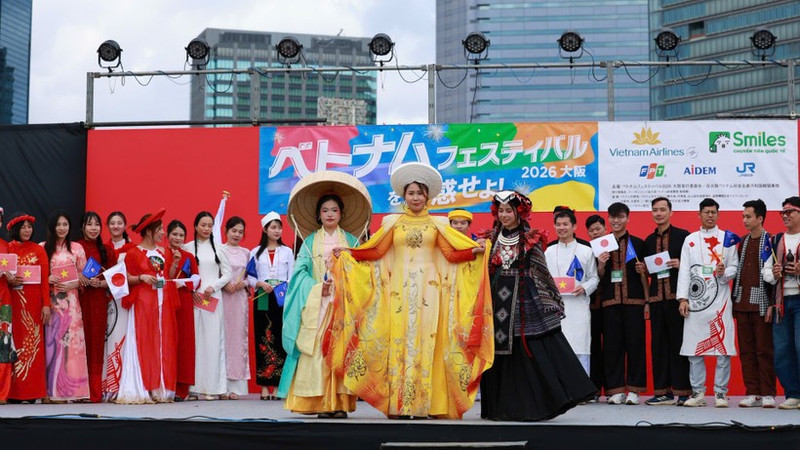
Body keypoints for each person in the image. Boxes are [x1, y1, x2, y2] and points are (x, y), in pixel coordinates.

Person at [332, 162, 493, 419]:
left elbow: (450, 254)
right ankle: (400, 404)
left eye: (420, 193)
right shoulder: (392, 222)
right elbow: (376, 251)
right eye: (411, 193)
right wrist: (350, 253)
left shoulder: (438, 224)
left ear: (427, 196)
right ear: (403, 196)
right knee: (399, 339)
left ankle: (424, 405)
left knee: (427, 342)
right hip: (399, 289)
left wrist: (472, 251)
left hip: (430, 289)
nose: (415, 198)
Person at [480, 190, 595, 421]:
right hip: (495, 299)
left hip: (522, 300)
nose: (504, 215)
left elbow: (540, 271)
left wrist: (548, 298)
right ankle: (500, 407)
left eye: (509, 210)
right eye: (500, 210)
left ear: (519, 212)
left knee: (529, 350)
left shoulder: (530, 237)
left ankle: (531, 405)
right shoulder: (490, 237)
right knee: (498, 353)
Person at [278, 196, 355, 417]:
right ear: (318, 214)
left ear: (341, 214)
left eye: (334, 210)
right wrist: (316, 287)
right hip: (318, 304)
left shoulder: (351, 239)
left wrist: (347, 267)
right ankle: (319, 402)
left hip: (343, 304)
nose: (330, 214)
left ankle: (339, 404)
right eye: (324, 210)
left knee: (339, 350)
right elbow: (298, 274)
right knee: (318, 350)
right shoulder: (310, 241)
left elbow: (364, 270)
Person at [677, 198, 738, 408]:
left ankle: (720, 393)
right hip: (695, 304)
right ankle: (698, 392)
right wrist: (683, 299)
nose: (710, 215)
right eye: (706, 212)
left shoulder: (727, 239)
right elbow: (684, 269)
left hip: (720, 302)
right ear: (699, 214)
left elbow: (734, 267)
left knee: (722, 348)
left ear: (718, 214)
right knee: (694, 350)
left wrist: (724, 272)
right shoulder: (690, 239)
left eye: (713, 212)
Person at [117, 209, 179, 403]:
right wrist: (141, 277)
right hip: (143, 302)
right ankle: (145, 385)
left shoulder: (165, 252)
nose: (163, 233)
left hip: (163, 302)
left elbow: (166, 276)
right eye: (160, 229)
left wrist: (175, 264)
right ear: (150, 231)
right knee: (146, 341)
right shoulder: (133, 253)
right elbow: (124, 278)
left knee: (163, 341)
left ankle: (161, 387)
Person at [640, 197, 691, 406]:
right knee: (658, 345)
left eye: (662, 209)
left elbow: (693, 266)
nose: (658, 213)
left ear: (671, 212)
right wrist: (643, 270)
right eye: (655, 210)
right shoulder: (648, 241)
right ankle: (662, 392)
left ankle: (683, 392)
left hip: (676, 299)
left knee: (678, 344)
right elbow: (646, 272)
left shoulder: (683, 237)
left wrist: (681, 263)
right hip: (655, 299)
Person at [597, 202, 647, 405]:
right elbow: (598, 276)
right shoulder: (602, 244)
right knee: (612, 347)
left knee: (635, 345)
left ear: (628, 218)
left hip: (635, 302)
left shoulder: (638, 243)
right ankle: (615, 390)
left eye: (620, 217)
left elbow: (646, 276)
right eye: (612, 217)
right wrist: (601, 264)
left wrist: (647, 301)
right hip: (610, 302)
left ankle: (634, 390)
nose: (616, 221)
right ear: (608, 219)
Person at [731, 199, 776, 408]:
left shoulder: (771, 242)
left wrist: (771, 304)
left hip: (762, 305)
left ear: (760, 218)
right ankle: (753, 392)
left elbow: (775, 277)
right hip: (741, 303)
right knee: (747, 350)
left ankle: (768, 392)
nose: (744, 220)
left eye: (748, 216)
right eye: (743, 216)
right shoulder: (742, 241)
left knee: (764, 350)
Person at [41, 211, 90, 402]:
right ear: (52, 227)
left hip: (71, 305)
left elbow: (86, 277)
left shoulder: (77, 248)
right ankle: (51, 390)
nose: (62, 228)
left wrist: (75, 283)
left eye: (65, 224)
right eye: (59, 224)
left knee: (73, 346)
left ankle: (75, 391)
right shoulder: (43, 248)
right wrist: (47, 279)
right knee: (52, 345)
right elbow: (35, 276)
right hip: (52, 305)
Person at [184, 209, 232, 400]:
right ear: (195, 226)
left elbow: (227, 274)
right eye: (203, 225)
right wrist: (191, 289)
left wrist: (214, 286)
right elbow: (183, 274)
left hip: (213, 299)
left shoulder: (219, 248)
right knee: (195, 343)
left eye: (210, 225)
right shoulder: (188, 248)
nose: (206, 228)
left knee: (213, 342)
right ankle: (194, 388)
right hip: (194, 299)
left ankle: (215, 388)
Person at [544, 206, 598, 375]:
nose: (562, 228)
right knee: (556, 348)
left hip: (578, 306)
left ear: (574, 226)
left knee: (580, 346)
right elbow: (542, 279)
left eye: (565, 224)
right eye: (558, 224)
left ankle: (582, 390)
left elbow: (594, 278)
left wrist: (584, 287)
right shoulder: (548, 252)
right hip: (555, 308)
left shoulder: (586, 251)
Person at [7, 213, 50, 403]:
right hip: (13, 303)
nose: (27, 230)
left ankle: (32, 392)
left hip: (33, 305)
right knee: (14, 344)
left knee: (33, 346)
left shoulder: (38, 250)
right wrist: (8, 279)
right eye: (23, 227)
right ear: (16, 230)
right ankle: (14, 392)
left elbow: (45, 282)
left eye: (29, 227)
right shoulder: (7, 249)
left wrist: (46, 305)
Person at [763, 196, 800, 409]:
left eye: (790, 211)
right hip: (781, 302)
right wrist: (774, 274)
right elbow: (765, 271)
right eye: (783, 212)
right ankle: (793, 394)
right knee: (783, 349)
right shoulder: (775, 240)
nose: (786, 215)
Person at [251, 212, 293, 401]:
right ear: (265, 229)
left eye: (279, 227)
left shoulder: (287, 251)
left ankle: (277, 386)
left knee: (277, 338)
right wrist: (261, 283)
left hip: (280, 297)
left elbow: (292, 276)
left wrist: (281, 286)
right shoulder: (255, 252)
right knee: (262, 337)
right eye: (273, 227)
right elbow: (249, 276)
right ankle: (264, 387)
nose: (277, 231)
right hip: (261, 296)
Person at [76, 211, 116, 403]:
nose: (93, 228)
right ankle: (76, 391)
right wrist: (79, 278)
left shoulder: (107, 250)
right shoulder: (75, 247)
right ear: (82, 226)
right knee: (77, 344)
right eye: (89, 224)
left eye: (97, 224)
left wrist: (102, 284)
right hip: (77, 302)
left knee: (96, 343)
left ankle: (94, 392)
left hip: (99, 301)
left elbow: (116, 278)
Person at [163, 220, 198, 401]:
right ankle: (165, 384)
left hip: (183, 302)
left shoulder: (189, 256)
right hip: (164, 302)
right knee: (166, 342)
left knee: (184, 343)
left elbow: (196, 280)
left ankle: (182, 388)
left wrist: (181, 283)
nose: (177, 238)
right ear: (167, 235)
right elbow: (161, 277)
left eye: (181, 235)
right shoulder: (161, 254)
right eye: (174, 234)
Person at [219, 212, 251, 400]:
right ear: (226, 231)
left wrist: (244, 284)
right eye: (233, 231)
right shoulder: (219, 250)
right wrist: (224, 283)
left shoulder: (247, 253)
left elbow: (252, 277)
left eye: (240, 232)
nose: (236, 235)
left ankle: (235, 388)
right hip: (222, 298)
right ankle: (220, 386)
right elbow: (213, 273)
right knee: (221, 339)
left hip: (238, 300)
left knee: (237, 341)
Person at [103, 211, 132, 400]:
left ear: (124, 225)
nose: (115, 226)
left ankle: (121, 384)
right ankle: (106, 385)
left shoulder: (132, 248)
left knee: (120, 337)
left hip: (123, 300)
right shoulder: (102, 248)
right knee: (106, 338)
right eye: (112, 223)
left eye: (119, 223)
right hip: (104, 298)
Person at [585, 214, 607, 401]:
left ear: (605, 228)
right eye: (591, 230)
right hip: (589, 307)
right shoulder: (585, 250)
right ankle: (592, 389)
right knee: (591, 348)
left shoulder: (614, 246)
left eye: (598, 229)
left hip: (610, 306)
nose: (595, 233)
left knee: (610, 347)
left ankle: (611, 390)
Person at [0, 207, 15, 404]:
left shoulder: (6, 246)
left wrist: (11, 278)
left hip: (4, 301)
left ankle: (2, 393)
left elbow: (15, 278)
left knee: (3, 346)